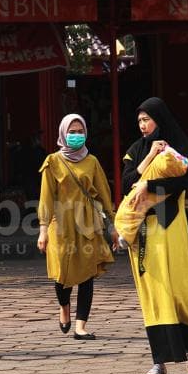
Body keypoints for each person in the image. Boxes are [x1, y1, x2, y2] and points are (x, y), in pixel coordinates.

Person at [122, 97, 188, 374]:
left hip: (171, 225)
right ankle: (159, 361)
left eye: (147, 119)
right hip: (143, 229)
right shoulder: (136, 150)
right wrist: (149, 157)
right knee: (153, 293)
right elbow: (126, 183)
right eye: (139, 120)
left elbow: (187, 178)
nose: (142, 125)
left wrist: (149, 184)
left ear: (160, 119)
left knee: (177, 288)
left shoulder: (180, 145)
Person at [37, 114, 118, 340]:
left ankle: (81, 326)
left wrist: (112, 226)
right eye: (71, 132)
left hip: (87, 225)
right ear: (63, 133)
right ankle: (64, 308)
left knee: (86, 275)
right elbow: (46, 198)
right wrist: (43, 230)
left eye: (80, 131)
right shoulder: (53, 161)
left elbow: (104, 195)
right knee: (62, 274)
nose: (76, 136)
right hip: (60, 226)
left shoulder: (92, 162)